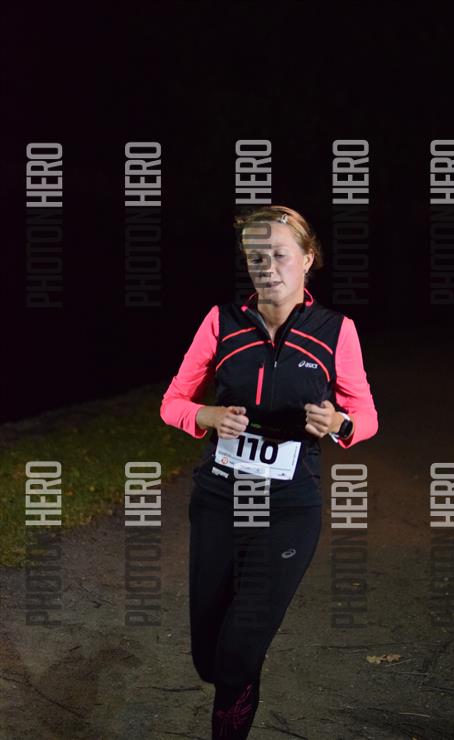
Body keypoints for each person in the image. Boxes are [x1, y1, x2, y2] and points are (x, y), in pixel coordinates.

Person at [160, 205, 378, 739]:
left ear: (308, 259)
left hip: (288, 507)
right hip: (220, 500)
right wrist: (206, 416)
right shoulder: (221, 322)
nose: (267, 267)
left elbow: (366, 417)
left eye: (279, 254)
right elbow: (172, 403)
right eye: (255, 257)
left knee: (238, 649)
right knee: (210, 659)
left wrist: (339, 422)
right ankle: (233, 680)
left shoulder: (336, 331)